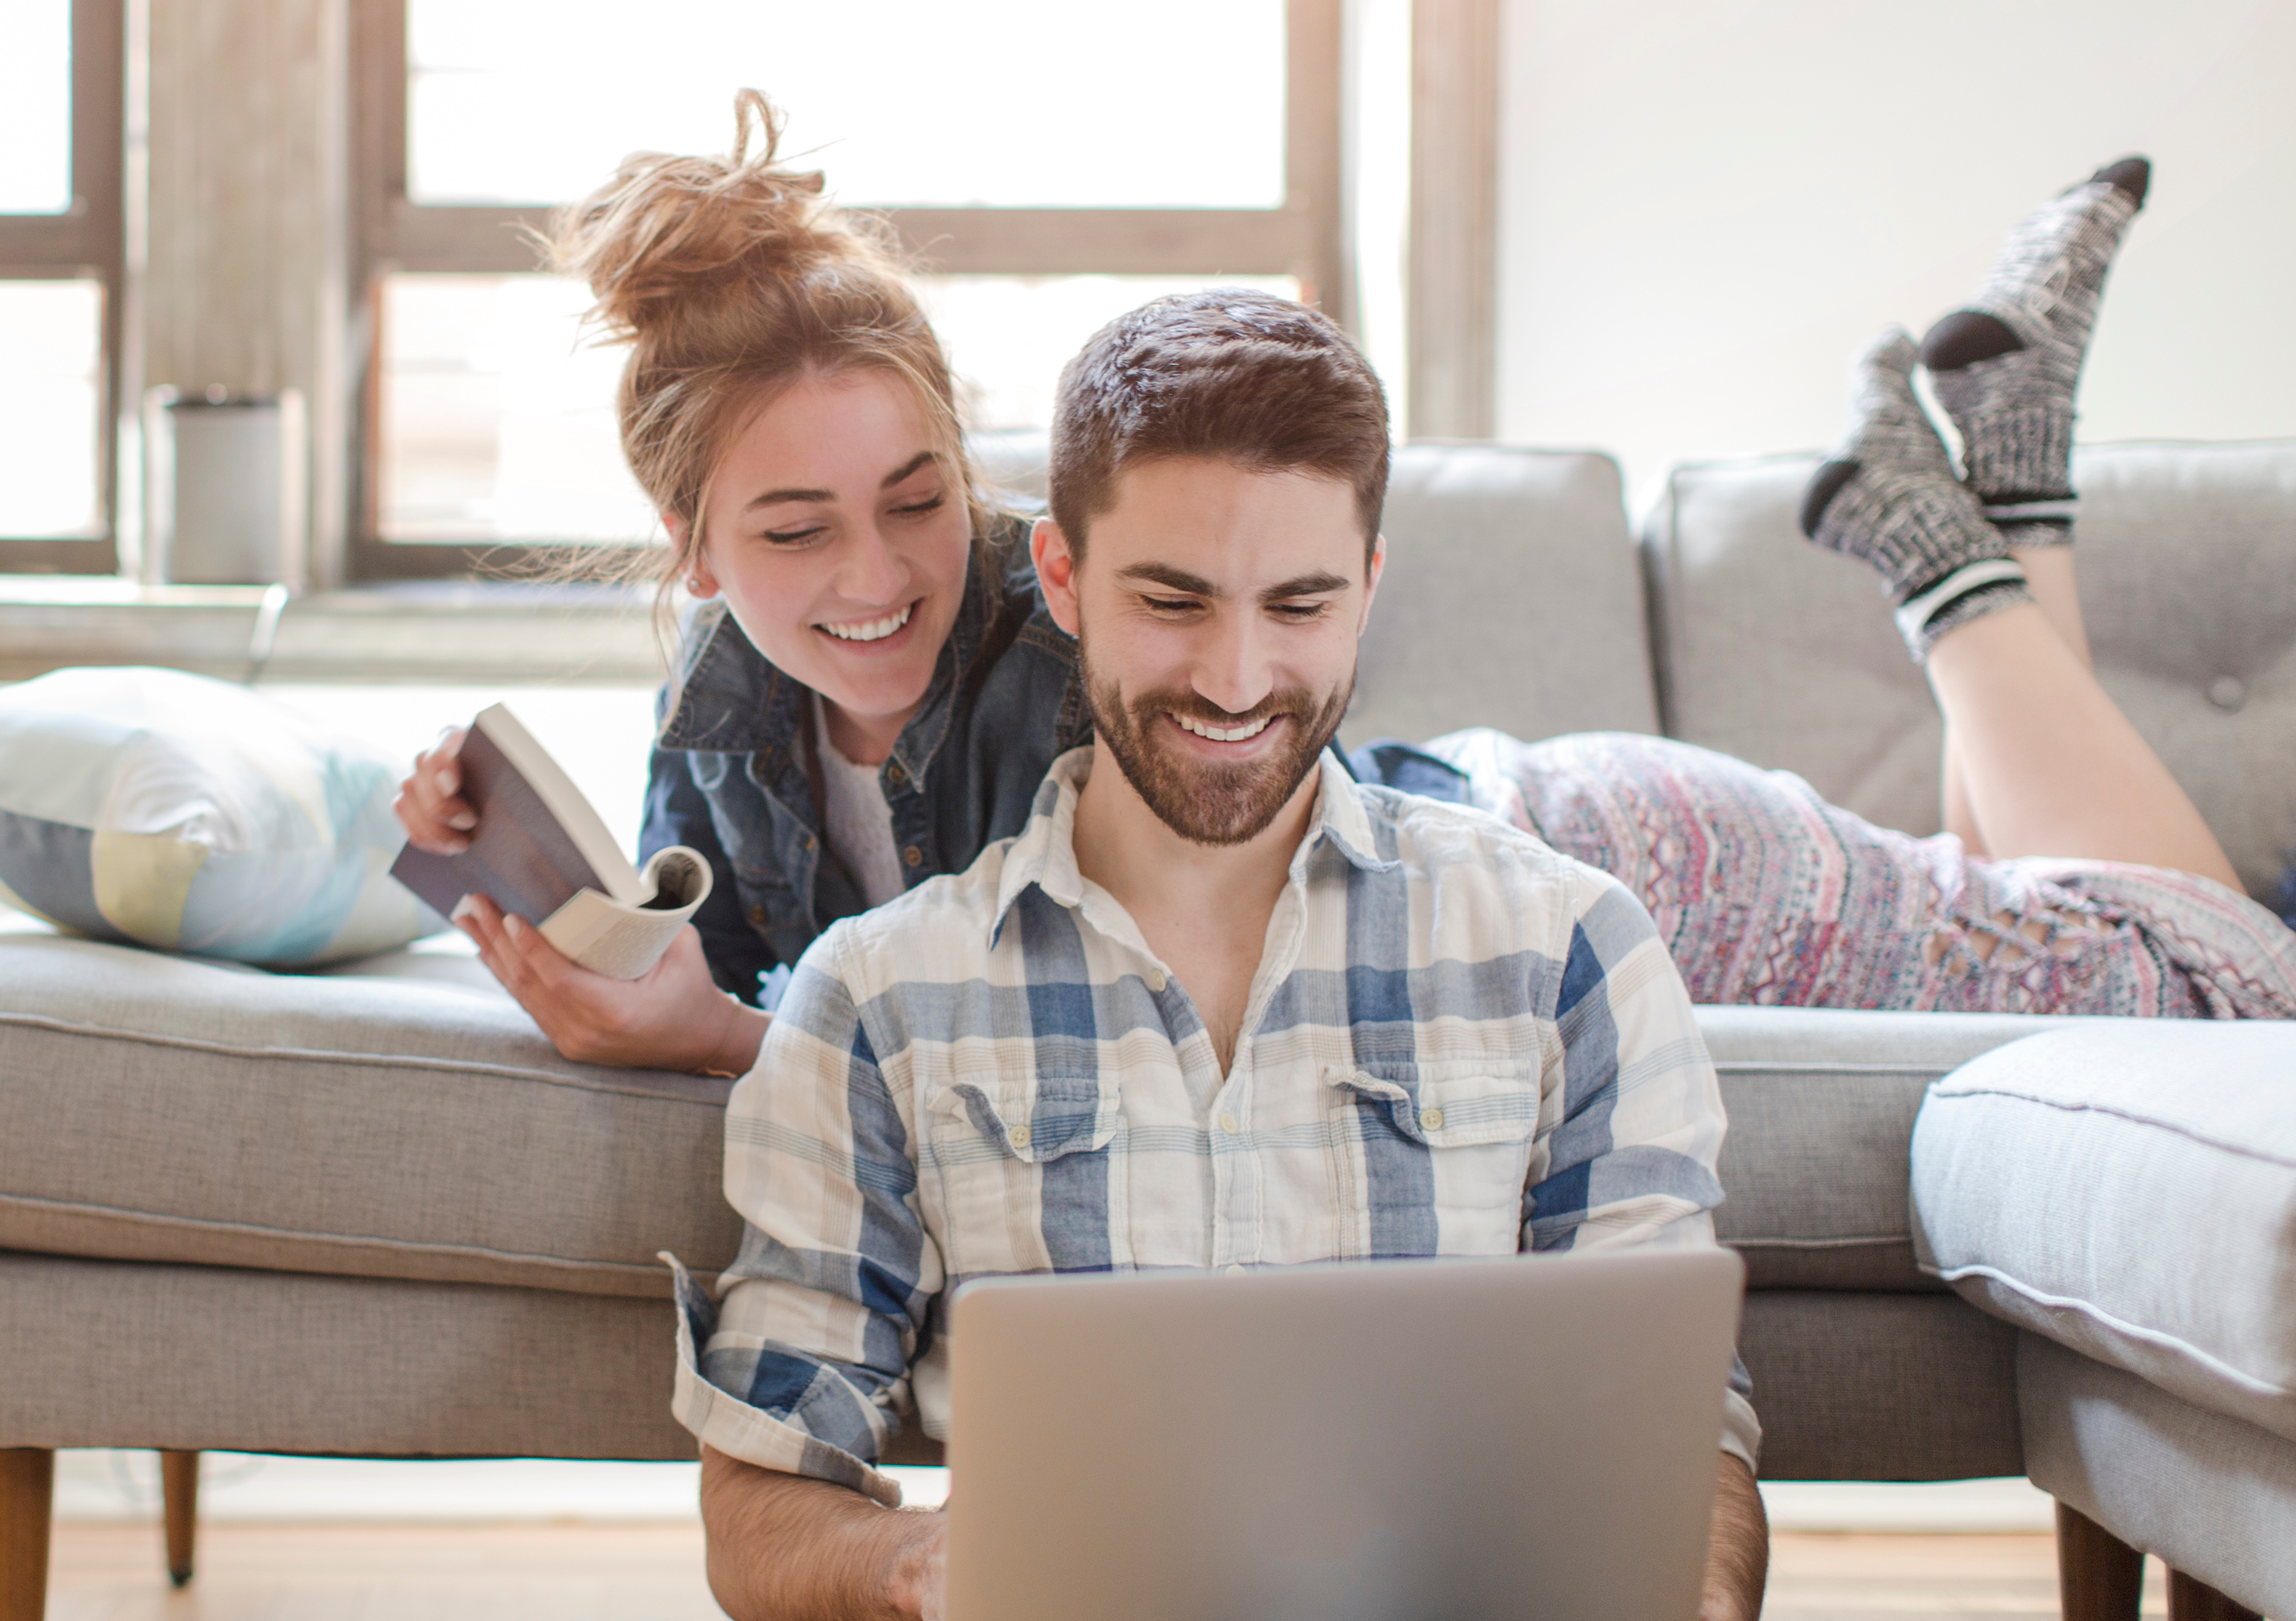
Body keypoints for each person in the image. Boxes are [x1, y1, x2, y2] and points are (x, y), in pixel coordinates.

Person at [397, 99, 2296, 1065]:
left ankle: (1941, 554)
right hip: (1522, 853)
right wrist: (507, 871)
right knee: (2050, 964)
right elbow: (722, 955)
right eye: (793, 536)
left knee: (2237, 1011)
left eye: (917, 498)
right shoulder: (723, 718)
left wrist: (720, 1040)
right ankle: (2014, 464)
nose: (882, 576)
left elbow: (998, 1036)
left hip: (1618, 866)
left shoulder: (1079, 651)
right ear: (695, 557)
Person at [675, 295, 1765, 1621]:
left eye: (1301, 607)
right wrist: (920, 1561)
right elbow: (760, 1508)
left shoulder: (1567, 943)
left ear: (1372, 586)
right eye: (1174, 603)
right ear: (1059, 574)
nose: (1240, 681)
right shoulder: (883, 996)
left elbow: (1684, 1426)